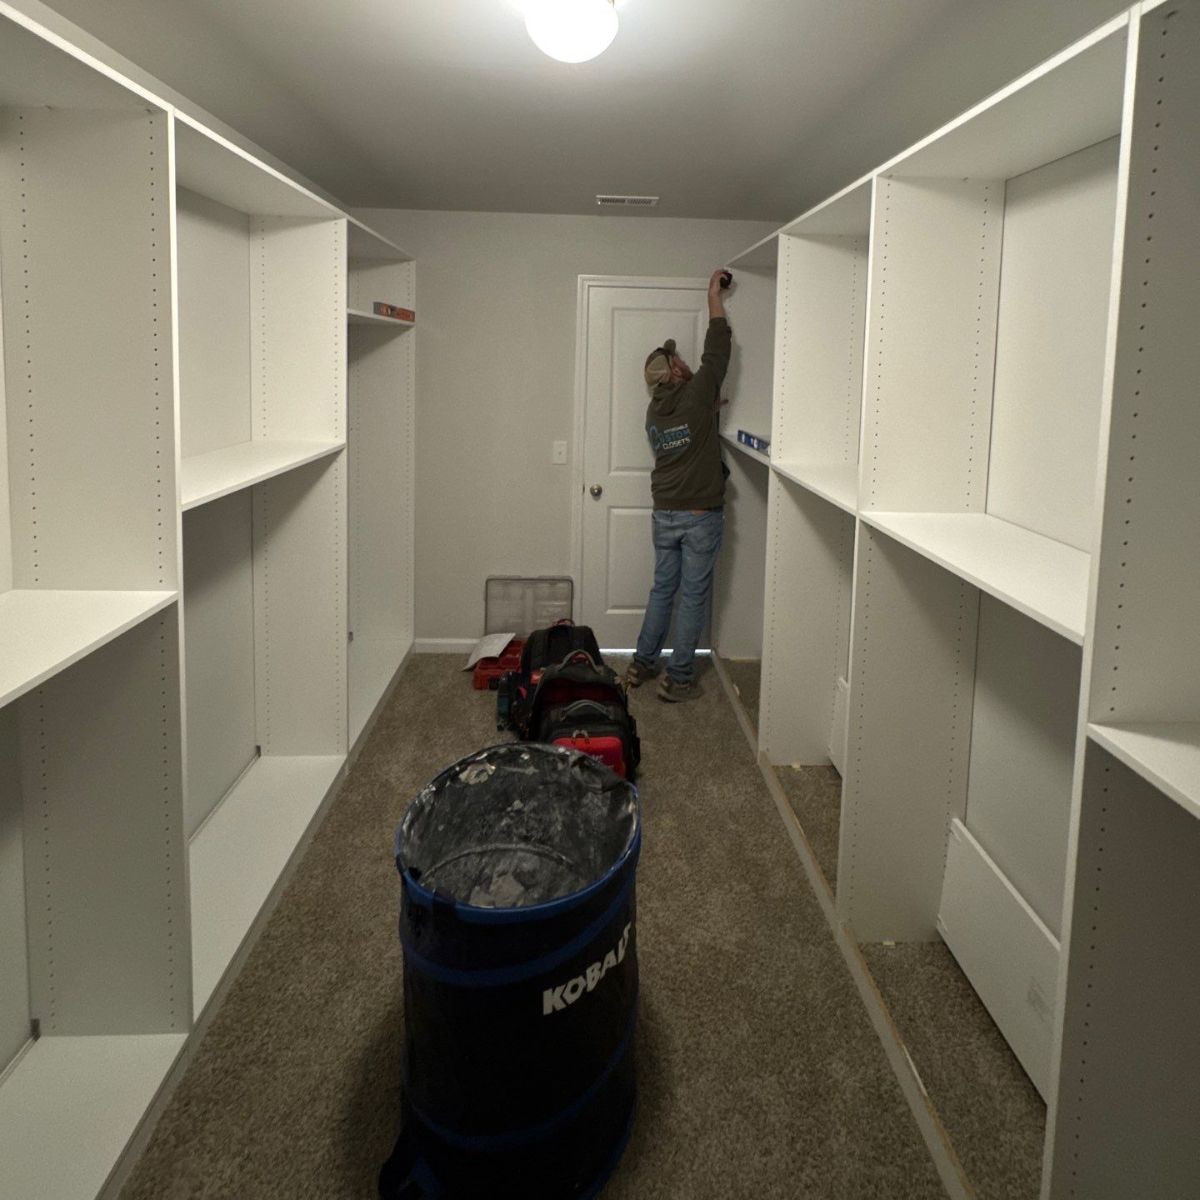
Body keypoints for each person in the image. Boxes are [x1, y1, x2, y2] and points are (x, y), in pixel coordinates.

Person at [624, 267, 732, 702]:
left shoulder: (656, 414)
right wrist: (713, 296)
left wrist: (708, 406)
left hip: (664, 512)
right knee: (691, 596)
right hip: (698, 515)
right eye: (676, 359)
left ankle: (642, 663)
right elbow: (718, 349)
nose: (683, 359)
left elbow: (690, 423)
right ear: (673, 372)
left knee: (662, 589)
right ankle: (680, 676)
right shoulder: (695, 392)